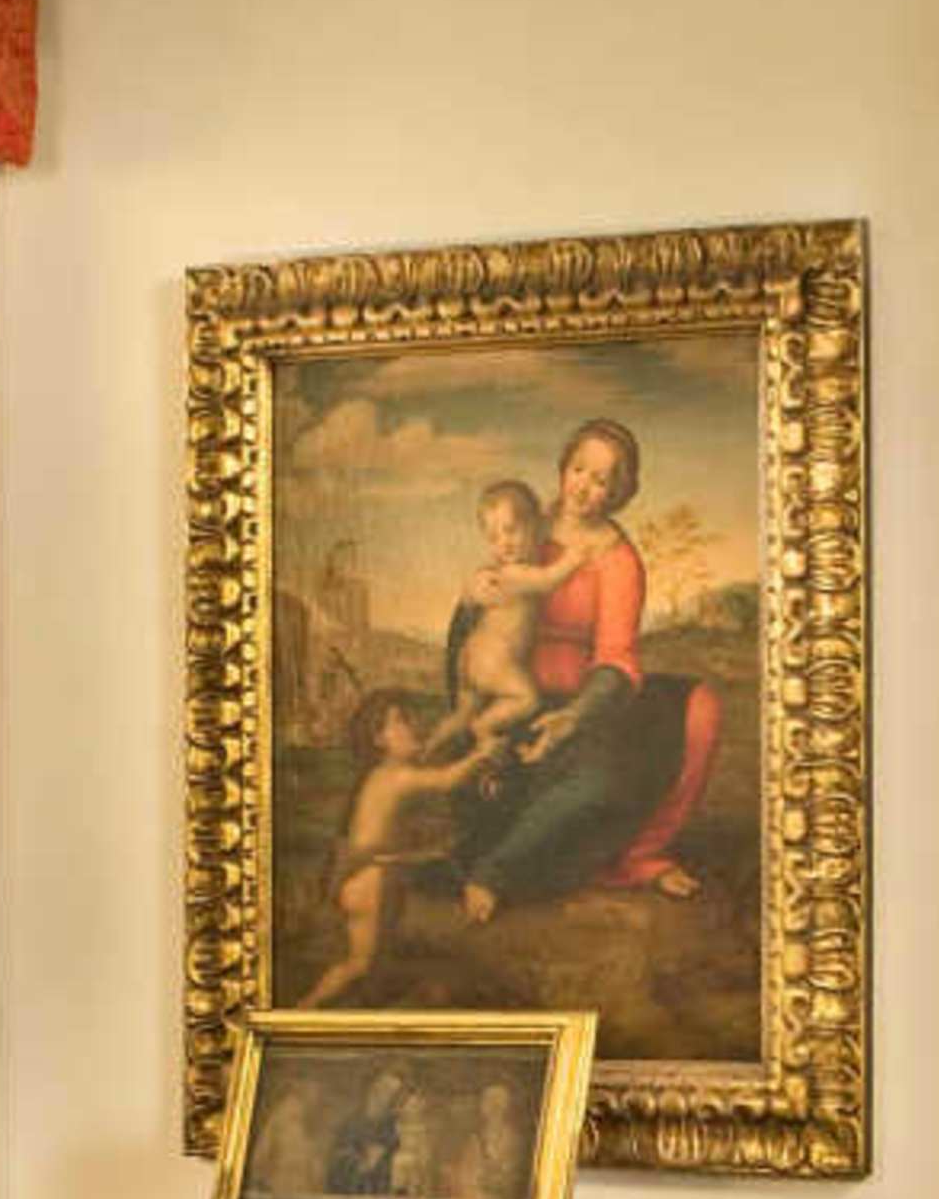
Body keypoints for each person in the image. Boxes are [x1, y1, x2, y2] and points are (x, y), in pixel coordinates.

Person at [447, 416, 725, 916]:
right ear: (562, 468)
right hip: (509, 694)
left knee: (673, 728)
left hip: (579, 706)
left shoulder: (618, 561)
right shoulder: (525, 523)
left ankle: (519, 869)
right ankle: (491, 857)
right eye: (579, 469)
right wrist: (472, 597)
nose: (585, 487)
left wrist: (574, 718)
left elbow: (616, 657)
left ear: (620, 493)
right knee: (497, 780)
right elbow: (480, 611)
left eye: (603, 480)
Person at [308, 687, 501, 999]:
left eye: (409, 718)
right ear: (379, 739)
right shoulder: (394, 777)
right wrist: (483, 753)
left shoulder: (388, 773)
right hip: (369, 879)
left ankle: (367, 1017)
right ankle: (304, 1011)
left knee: (376, 963)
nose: (412, 726)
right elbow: (448, 779)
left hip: (378, 875)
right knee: (357, 965)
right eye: (399, 721)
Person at [453, 477, 576, 741]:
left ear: (533, 527)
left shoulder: (499, 573)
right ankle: (484, 727)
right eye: (494, 537)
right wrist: (576, 557)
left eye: (510, 530)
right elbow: (551, 579)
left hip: (471, 657)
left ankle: (427, 750)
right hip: (492, 663)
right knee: (527, 699)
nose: (503, 543)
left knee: (459, 717)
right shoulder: (516, 572)